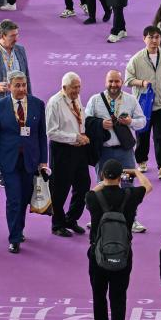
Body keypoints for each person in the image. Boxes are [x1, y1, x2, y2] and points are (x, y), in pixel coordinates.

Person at [83, 159, 154, 320]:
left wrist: (104, 182)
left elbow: (94, 191)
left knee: (99, 295)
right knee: (118, 298)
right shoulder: (130, 195)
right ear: (121, 177)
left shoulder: (93, 197)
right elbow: (148, 186)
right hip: (123, 255)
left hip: (97, 255)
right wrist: (135, 172)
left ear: (102, 175)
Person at [0, 71, 48, 253]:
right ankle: (14, 238)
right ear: (9, 86)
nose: (21, 89)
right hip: (8, 161)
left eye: (24, 85)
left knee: (24, 199)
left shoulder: (38, 104)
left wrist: (43, 161)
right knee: (13, 199)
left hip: (30, 160)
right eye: (17, 85)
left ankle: (19, 229)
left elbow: (41, 135)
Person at [84, 70, 148, 233]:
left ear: (122, 82)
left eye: (117, 81)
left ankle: (131, 219)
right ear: (106, 82)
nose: (114, 85)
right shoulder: (95, 100)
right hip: (103, 152)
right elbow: (86, 121)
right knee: (102, 184)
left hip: (124, 152)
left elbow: (142, 122)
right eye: (111, 81)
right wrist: (100, 124)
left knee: (128, 184)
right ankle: (99, 217)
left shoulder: (130, 100)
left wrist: (130, 121)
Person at [126, 26, 161, 179]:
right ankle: (141, 160)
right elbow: (128, 80)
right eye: (150, 37)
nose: (154, 40)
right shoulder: (136, 59)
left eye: (157, 37)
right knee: (142, 135)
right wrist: (141, 83)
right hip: (143, 105)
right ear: (144, 39)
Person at [46, 71, 92, 237]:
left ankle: (71, 219)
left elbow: (79, 117)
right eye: (74, 88)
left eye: (79, 87)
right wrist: (74, 137)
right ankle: (57, 224)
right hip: (61, 150)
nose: (77, 91)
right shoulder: (54, 103)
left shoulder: (75, 98)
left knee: (83, 186)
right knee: (60, 189)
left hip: (78, 148)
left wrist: (83, 134)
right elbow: (51, 132)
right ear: (64, 87)